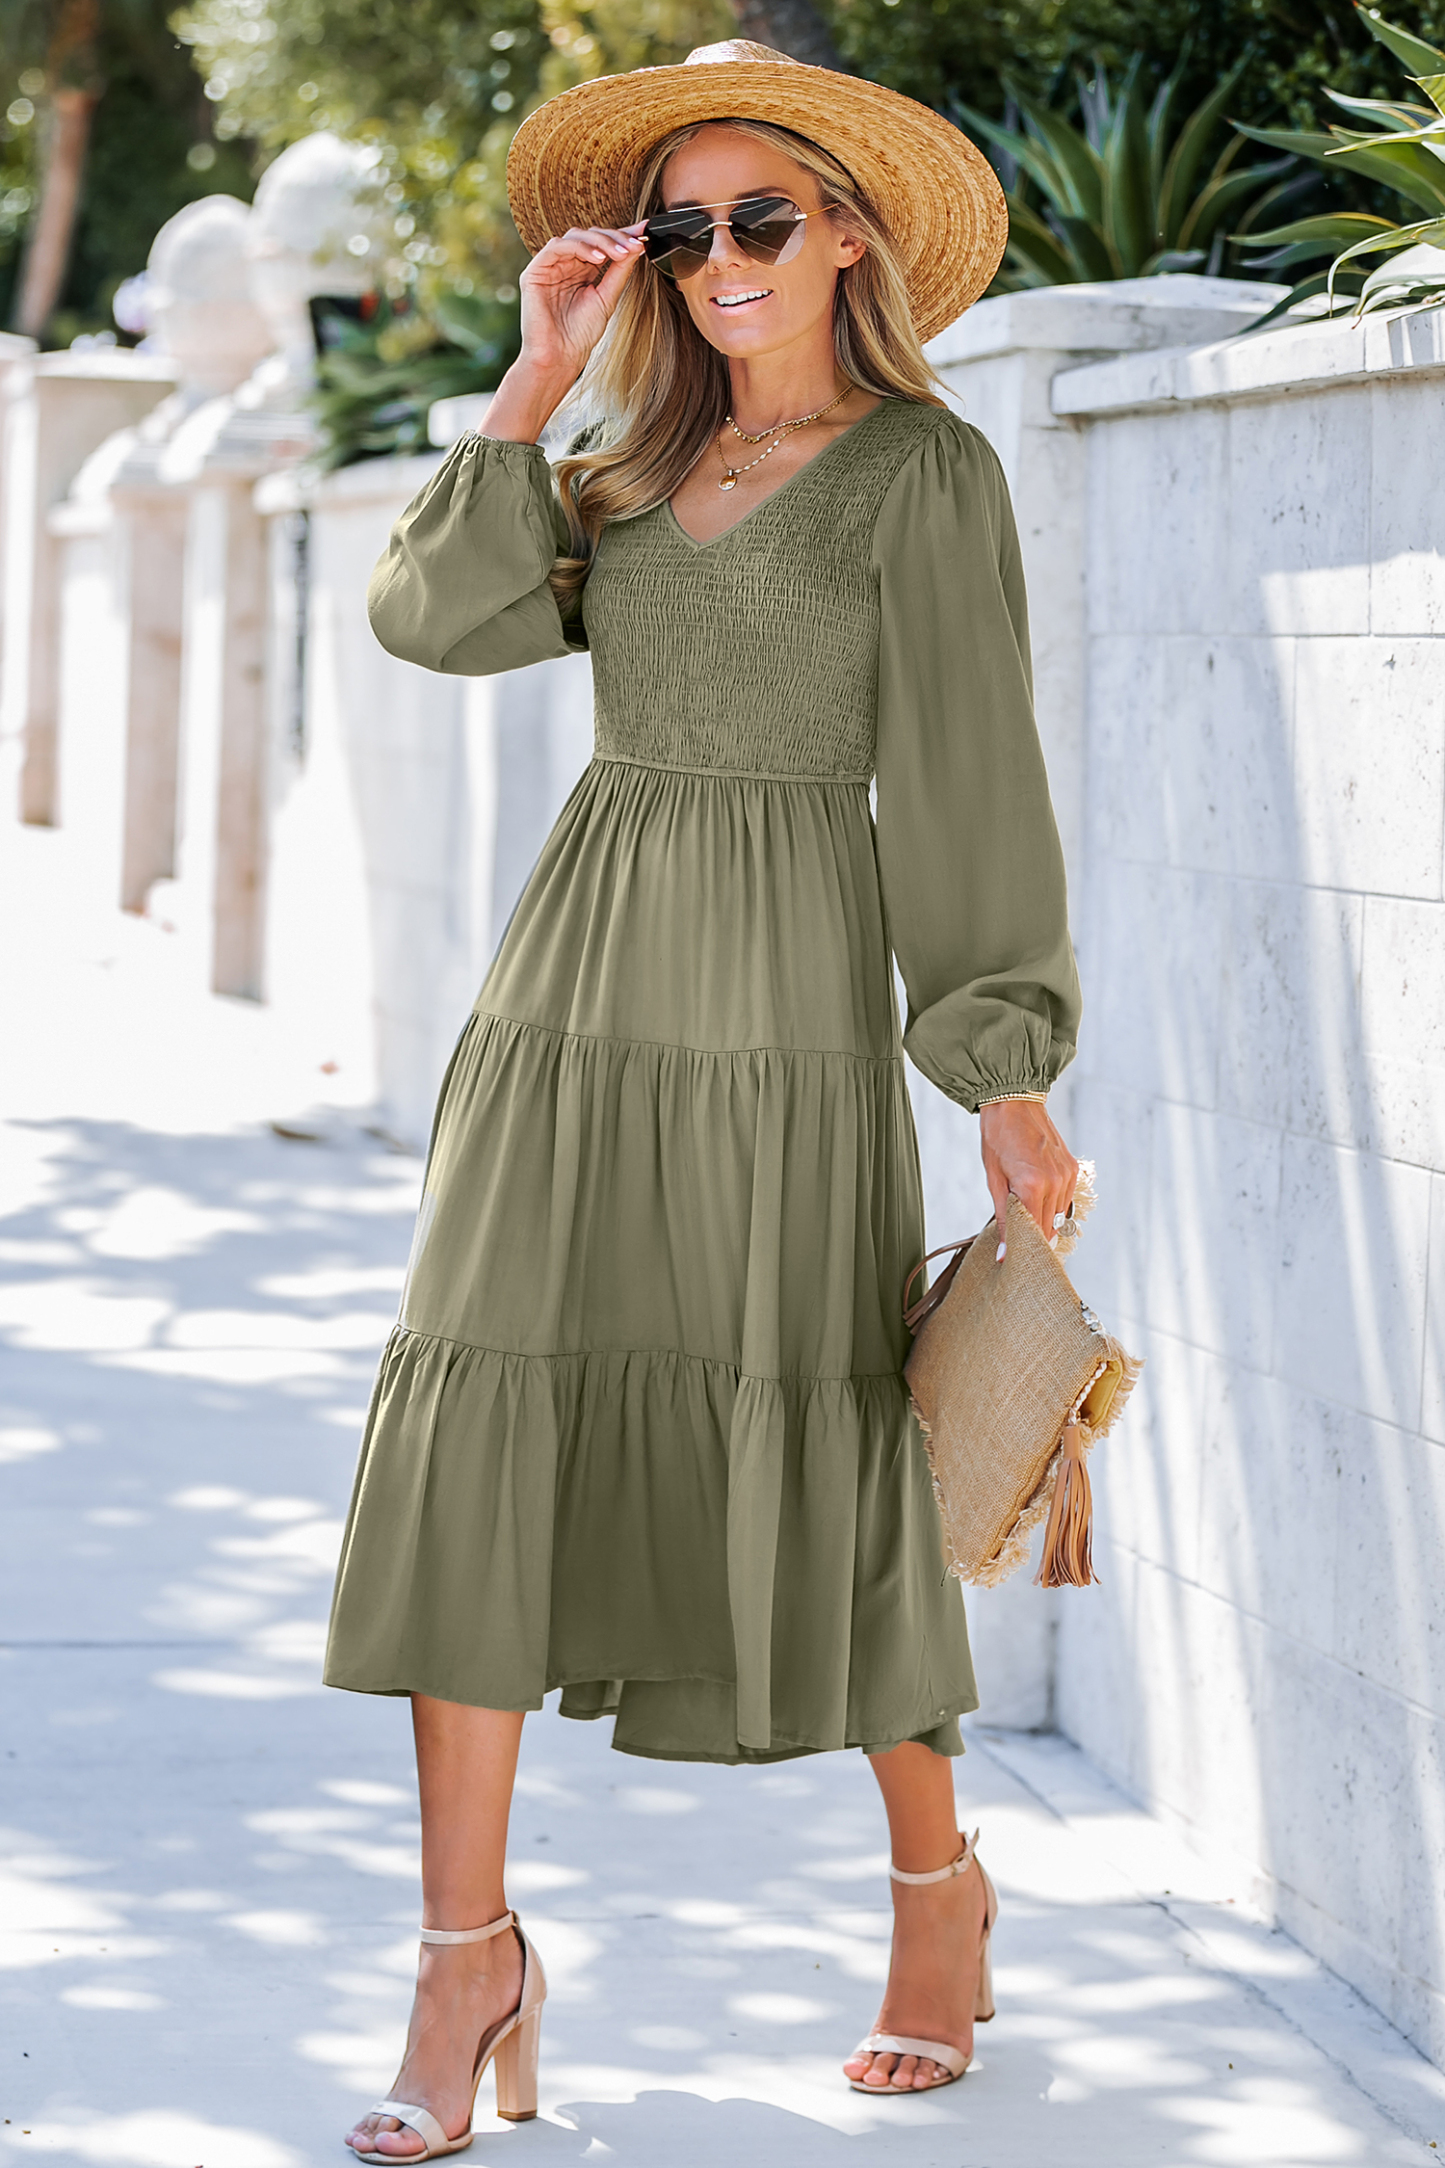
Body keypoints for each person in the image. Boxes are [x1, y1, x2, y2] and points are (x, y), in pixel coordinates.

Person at [328, 40, 1082, 2162]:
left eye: (761, 216)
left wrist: (1003, 1069)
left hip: (783, 1018)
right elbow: (427, 615)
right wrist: (532, 375)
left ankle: (938, 1894)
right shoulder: (622, 466)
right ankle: (463, 1959)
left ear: (845, 235)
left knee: (828, 1439)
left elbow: (968, 775)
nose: (721, 256)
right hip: (568, 1005)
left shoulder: (923, 472)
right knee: (487, 1417)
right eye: (682, 227)